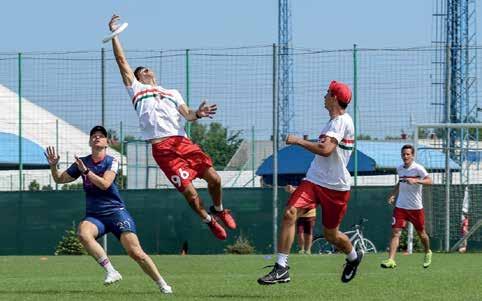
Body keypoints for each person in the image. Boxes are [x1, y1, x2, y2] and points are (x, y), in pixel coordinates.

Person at [108, 15, 236, 240]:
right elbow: (121, 60)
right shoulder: (136, 90)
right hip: (163, 149)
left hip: (182, 142)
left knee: (214, 178)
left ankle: (219, 208)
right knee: (190, 193)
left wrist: (198, 113)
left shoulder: (172, 92)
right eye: (142, 71)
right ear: (137, 78)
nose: (147, 71)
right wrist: (114, 35)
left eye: (148, 69)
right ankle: (209, 220)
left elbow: (187, 114)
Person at [258, 80, 363, 285]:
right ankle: (281, 268)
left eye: (327, 93)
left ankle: (353, 257)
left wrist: (298, 141)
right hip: (314, 180)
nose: (324, 96)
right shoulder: (332, 122)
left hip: (336, 187)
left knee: (331, 235)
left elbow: (325, 150)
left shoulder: (341, 121)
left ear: (334, 98)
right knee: (290, 213)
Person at [45, 125, 172, 294]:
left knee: (136, 253)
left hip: (115, 212)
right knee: (83, 234)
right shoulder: (82, 162)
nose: (97, 137)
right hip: (95, 215)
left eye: (101, 136)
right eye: (94, 136)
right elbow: (59, 179)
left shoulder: (112, 161)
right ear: (90, 141)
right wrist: (54, 166)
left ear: (106, 142)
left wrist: (86, 172)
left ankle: (162, 284)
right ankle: (111, 271)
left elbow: (105, 184)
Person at [381, 144, 433, 269]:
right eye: (403, 154)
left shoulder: (418, 168)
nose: (405, 156)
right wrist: (393, 195)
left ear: (413, 155)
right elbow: (400, 183)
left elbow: (430, 181)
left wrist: (416, 181)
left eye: (408, 154)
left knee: (422, 234)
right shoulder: (399, 168)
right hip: (401, 207)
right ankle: (391, 260)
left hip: (415, 208)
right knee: (395, 232)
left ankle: (427, 252)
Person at [285, 185, 316, 255]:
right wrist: (290, 188)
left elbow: (311, 205)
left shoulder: (311, 192)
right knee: (300, 233)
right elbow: (289, 189)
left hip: (311, 215)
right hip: (300, 217)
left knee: (309, 233)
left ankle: (308, 250)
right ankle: (301, 249)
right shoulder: (298, 191)